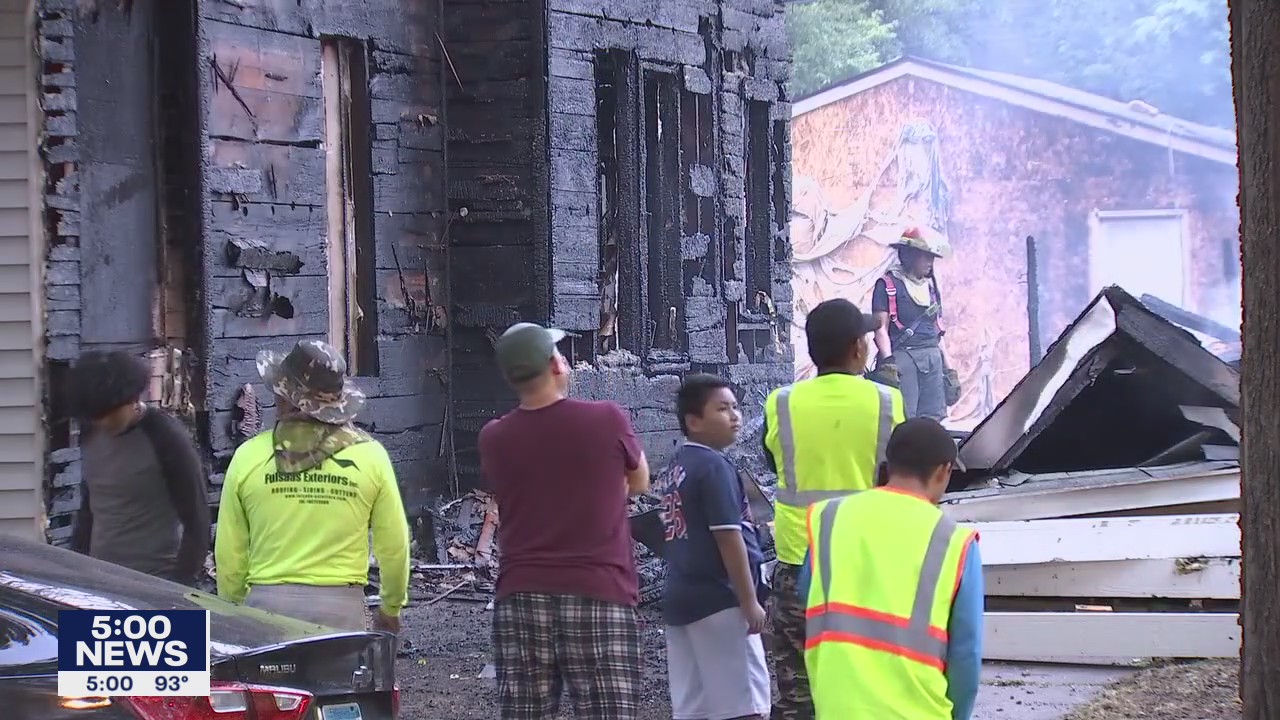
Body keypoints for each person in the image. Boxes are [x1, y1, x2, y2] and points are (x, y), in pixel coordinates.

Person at [479, 322, 651, 720]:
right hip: (599, 592)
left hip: (521, 597)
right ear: (556, 364)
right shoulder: (606, 419)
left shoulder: (494, 437)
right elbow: (639, 481)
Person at [762, 298, 905, 720]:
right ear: (858, 348)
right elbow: (897, 472)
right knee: (863, 680)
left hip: (797, 558)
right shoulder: (887, 402)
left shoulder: (781, 403)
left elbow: (775, 463)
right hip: (864, 562)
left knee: (796, 684)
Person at [214, 339, 410, 633]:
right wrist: (390, 608)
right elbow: (394, 546)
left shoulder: (248, 457)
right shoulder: (370, 456)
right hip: (341, 612)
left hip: (266, 609)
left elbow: (230, 555)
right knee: (341, 680)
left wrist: (236, 608)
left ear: (283, 397)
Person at [800, 417, 983, 719]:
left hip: (837, 707)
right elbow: (966, 652)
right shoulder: (954, 540)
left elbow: (809, 592)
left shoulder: (830, 518)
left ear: (891, 463)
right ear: (944, 471)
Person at [658, 373, 770, 720]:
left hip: (680, 599)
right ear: (694, 421)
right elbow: (728, 536)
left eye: (735, 407)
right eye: (722, 409)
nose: (735, 415)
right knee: (745, 705)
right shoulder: (714, 465)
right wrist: (749, 600)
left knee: (695, 707)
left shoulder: (676, 466)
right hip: (720, 599)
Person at [68, 350, 210, 586]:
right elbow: (91, 507)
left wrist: (181, 585)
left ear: (132, 400)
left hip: (155, 583)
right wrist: (77, 568)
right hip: (98, 580)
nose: (102, 423)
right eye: (97, 417)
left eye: (109, 415)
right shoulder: (91, 433)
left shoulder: (165, 437)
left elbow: (197, 518)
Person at [870, 226, 960, 420]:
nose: (930, 262)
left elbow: (937, 331)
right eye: (925, 256)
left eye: (932, 258)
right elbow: (880, 329)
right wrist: (888, 364)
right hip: (903, 359)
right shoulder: (888, 285)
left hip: (932, 357)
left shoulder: (930, 288)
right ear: (909, 255)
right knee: (903, 418)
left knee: (933, 420)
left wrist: (949, 369)